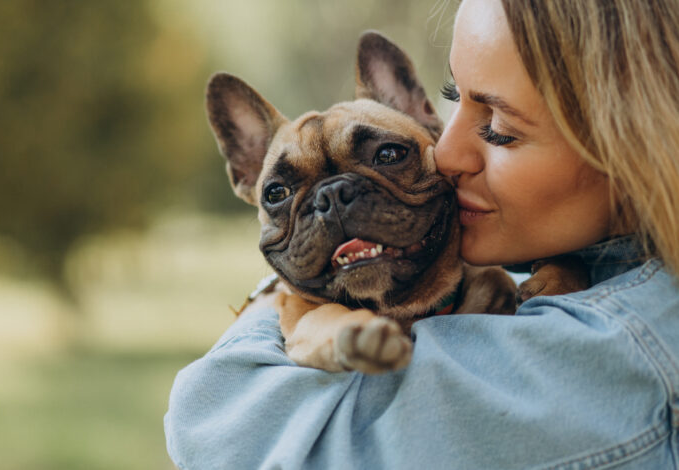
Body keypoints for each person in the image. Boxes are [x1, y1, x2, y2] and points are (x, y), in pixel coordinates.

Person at [165, 0, 679, 468]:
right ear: (246, 173)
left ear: (626, 136)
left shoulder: (618, 349)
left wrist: (268, 307)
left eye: (500, 124)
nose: (446, 154)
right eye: (454, 98)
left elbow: (214, 433)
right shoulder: (565, 274)